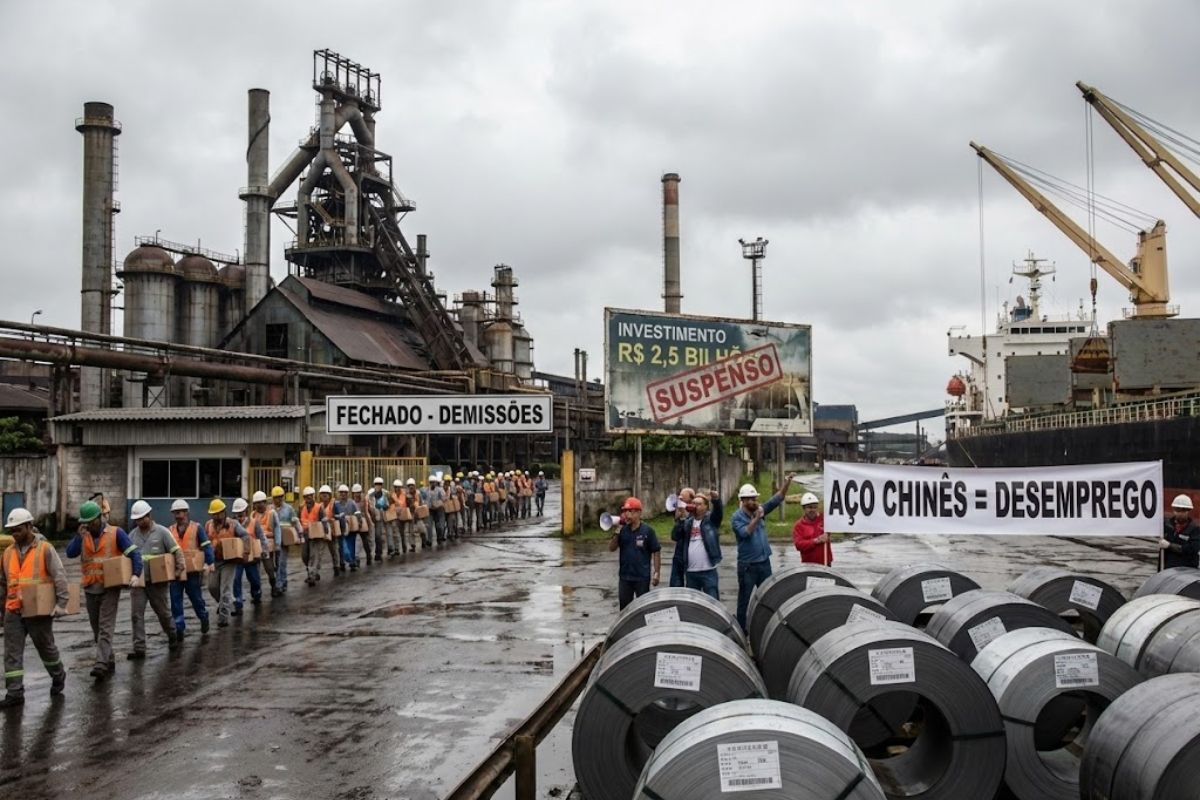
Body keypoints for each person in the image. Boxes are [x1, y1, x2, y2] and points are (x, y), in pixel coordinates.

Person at [66, 500, 144, 680]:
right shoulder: (83, 536)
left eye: (91, 521)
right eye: (85, 522)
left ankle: (100, 663)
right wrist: (78, 536)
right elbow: (70, 553)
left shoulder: (117, 533)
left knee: (105, 627)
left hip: (110, 587)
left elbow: (134, 553)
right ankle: (108, 658)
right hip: (90, 588)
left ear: (99, 518)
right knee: (96, 629)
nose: (88, 525)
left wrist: (135, 574)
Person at [1, 508, 68, 708]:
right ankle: (15, 693)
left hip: (38, 610)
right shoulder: (7, 553)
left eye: (18, 529)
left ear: (30, 527)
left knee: (45, 647)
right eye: (12, 530)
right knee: (11, 652)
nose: (15, 534)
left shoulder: (45, 549)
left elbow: (59, 576)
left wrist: (61, 604)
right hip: (13, 609)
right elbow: (3, 583)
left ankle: (58, 674)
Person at [731, 476, 794, 631]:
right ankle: (741, 629)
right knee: (744, 599)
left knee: (768, 596)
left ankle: (767, 626)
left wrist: (787, 482)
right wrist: (757, 517)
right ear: (743, 501)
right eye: (750, 499)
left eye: (755, 498)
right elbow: (746, 533)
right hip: (748, 566)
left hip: (764, 562)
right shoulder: (737, 517)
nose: (754, 502)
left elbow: (778, 498)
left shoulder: (760, 510)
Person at [127, 500, 185, 659]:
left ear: (149, 516)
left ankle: (172, 634)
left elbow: (176, 551)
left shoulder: (162, 532)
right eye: (137, 520)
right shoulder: (132, 535)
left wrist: (179, 569)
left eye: (142, 518)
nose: (139, 522)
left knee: (163, 612)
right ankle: (139, 648)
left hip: (157, 583)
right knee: (136, 615)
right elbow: (126, 557)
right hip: (139, 582)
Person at [168, 498, 212, 637]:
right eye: (175, 513)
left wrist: (208, 563)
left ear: (186, 512)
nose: (178, 516)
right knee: (175, 600)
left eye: (180, 512)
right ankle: (179, 628)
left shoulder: (196, 528)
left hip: (192, 571)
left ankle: (203, 617)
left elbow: (206, 546)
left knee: (196, 598)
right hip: (176, 571)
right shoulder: (170, 530)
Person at [607, 497, 661, 609]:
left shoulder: (648, 531)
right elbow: (611, 548)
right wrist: (617, 531)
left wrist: (657, 572)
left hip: (642, 577)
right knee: (625, 609)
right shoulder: (622, 530)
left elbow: (656, 551)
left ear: (639, 513)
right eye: (625, 511)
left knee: (643, 608)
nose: (627, 514)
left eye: (630, 511)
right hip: (625, 577)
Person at [205, 498, 251, 628]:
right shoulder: (208, 525)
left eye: (218, 513)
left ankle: (223, 618)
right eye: (213, 514)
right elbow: (205, 541)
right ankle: (223, 604)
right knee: (212, 587)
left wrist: (246, 552)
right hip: (214, 560)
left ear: (223, 512)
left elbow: (245, 536)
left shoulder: (233, 524)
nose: (215, 516)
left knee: (226, 589)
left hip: (229, 561)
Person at [670, 490, 723, 599]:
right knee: (693, 604)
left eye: (699, 504)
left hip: (708, 570)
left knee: (712, 601)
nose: (695, 506)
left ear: (706, 507)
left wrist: (716, 500)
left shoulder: (710, 521)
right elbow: (675, 536)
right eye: (693, 503)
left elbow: (718, 512)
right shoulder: (688, 522)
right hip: (691, 572)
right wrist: (680, 519)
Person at [231, 497, 269, 612]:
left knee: (254, 579)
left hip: (252, 557)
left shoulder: (254, 523)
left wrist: (264, 550)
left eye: (241, 513)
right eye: (237, 513)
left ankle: (256, 593)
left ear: (246, 511)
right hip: (238, 557)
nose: (239, 516)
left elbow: (262, 537)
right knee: (236, 579)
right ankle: (238, 602)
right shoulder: (232, 524)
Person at [792, 493, 832, 566]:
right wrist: (815, 541)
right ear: (804, 508)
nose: (813, 510)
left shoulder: (824, 519)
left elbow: (837, 521)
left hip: (826, 563)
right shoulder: (798, 525)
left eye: (815, 507)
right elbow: (799, 545)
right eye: (810, 507)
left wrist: (828, 534)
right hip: (808, 565)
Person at [298, 486, 328, 585]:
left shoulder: (319, 507)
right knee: (304, 555)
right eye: (306, 497)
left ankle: (311, 575)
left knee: (313, 556)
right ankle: (312, 572)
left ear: (313, 496)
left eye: (310, 496)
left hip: (316, 535)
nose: (308, 499)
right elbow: (298, 520)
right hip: (305, 534)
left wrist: (325, 530)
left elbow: (323, 519)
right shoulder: (301, 507)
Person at [667, 487, 697, 587]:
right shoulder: (681, 515)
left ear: (692, 500)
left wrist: (686, 518)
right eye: (680, 499)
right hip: (679, 554)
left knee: (692, 587)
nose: (680, 501)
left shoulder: (697, 516)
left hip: (692, 555)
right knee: (675, 585)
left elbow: (690, 531)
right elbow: (674, 536)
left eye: (683, 499)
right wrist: (680, 520)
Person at [1161, 494, 1200, 569]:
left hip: (1187, 570)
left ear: (1188, 511)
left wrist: (1170, 545)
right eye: (1177, 510)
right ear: (1174, 510)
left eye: (1183, 510)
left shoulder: (1195, 529)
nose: (1180, 513)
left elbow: (1192, 549)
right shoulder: (1166, 525)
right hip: (1168, 569)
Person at [270, 486, 295, 594]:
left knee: (281, 562)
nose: (278, 499)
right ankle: (283, 581)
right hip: (272, 539)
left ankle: (279, 584)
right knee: (273, 564)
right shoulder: (269, 510)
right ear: (273, 498)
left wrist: (298, 534)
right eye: (276, 497)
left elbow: (294, 521)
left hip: (284, 540)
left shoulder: (289, 509)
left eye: (280, 497)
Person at [317, 485, 343, 574]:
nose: (324, 495)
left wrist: (335, 518)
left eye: (326, 494)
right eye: (322, 493)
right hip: (322, 531)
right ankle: (316, 571)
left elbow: (339, 516)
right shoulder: (319, 506)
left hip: (332, 531)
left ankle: (336, 567)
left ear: (329, 495)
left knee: (334, 550)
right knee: (319, 551)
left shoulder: (334, 504)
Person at [335, 484, 359, 571]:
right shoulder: (336, 504)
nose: (343, 494)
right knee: (342, 546)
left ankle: (352, 562)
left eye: (344, 492)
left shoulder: (352, 503)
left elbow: (357, 512)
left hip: (351, 527)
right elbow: (333, 515)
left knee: (351, 545)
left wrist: (358, 520)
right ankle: (342, 561)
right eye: (341, 492)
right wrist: (337, 516)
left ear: (347, 493)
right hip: (342, 528)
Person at [350, 484, 376, 563]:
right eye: (355, 493)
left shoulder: (365, 501)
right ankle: (356, 557)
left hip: (364, 522)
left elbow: (370, 510)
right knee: (357, 540)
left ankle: (368, 555)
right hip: (355, 523)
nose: (357, 494)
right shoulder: (351, 502)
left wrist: (371, 520)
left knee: (365, 540)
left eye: (358, 492)